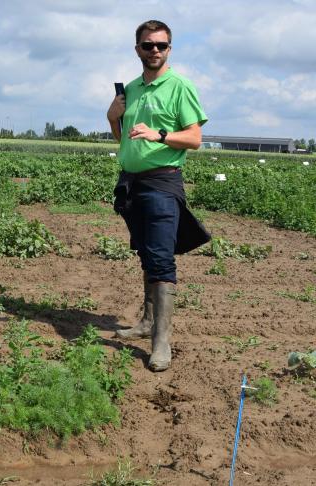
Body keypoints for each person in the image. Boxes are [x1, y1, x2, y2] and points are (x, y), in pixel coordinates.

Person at [107, 20, 210, 371]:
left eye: (161, 46)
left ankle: (161, 342)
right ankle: (148, 322)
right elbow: (122, 139)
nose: (154, 51)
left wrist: (159, 134)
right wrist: (112, 118)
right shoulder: (132, 89)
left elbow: (195, 138)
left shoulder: (180, 87)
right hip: (132, 183)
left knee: (162, 258)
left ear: (169, 49)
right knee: (146, 252)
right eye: (148, 45)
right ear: (137, 49)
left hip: (163, 183)